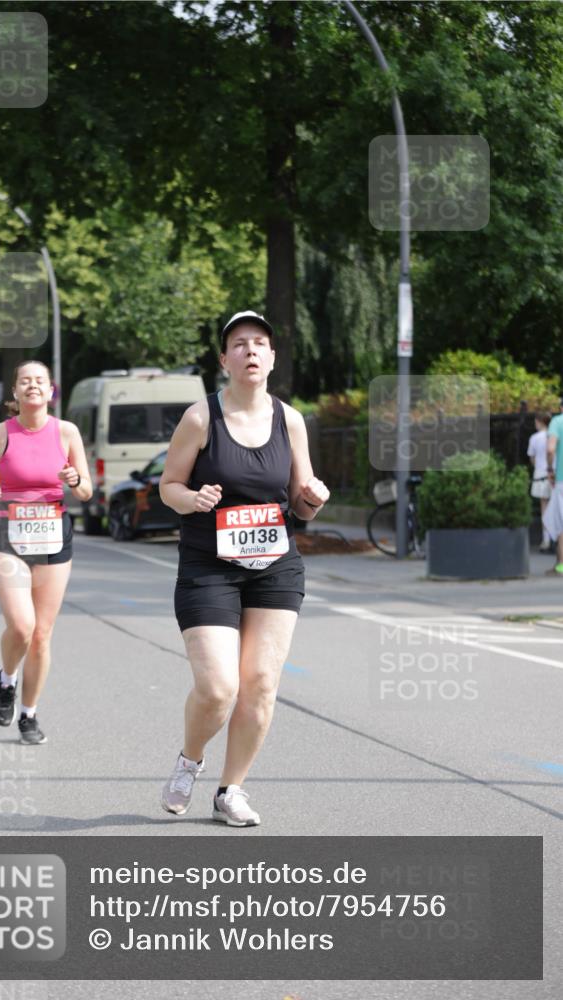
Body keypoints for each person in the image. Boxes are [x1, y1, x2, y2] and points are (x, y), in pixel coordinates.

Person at [159, 311, 329, 826]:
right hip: (208, 567)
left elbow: (300, 503)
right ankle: (190, 760)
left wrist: (314, 499)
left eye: (260, 343)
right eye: (239, 344)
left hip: (275, 567)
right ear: (224, 360)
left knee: (259, 683)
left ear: (272, 358)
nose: (251, 351)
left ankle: (230, 791)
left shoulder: (290, 420)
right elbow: (169, 486)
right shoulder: (200, 418)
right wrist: (194, 498)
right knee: (218, 688)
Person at [0, 361, 92, 744]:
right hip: (8, 532)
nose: (32, 386)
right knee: (22, 626)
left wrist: (75, 479)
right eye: (25, 380)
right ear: (15, 392)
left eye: (39, 381)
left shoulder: (66, 432)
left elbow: (86, 491)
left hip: (52, 535)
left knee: (42, 635)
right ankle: (7, 679)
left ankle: (29, 714)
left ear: (50, 390)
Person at [527, 412, 553, 552]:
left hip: (541, 473)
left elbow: (532, 458)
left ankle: (546, 539)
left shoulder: (534, 438)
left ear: (538, 421)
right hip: (555, 473)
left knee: (544, 507)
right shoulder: (553, 434)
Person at [543, 406, 563, 577]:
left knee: (559, 523)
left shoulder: (558, 421)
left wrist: (550, 468)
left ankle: (561, 565)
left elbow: (550, 449)